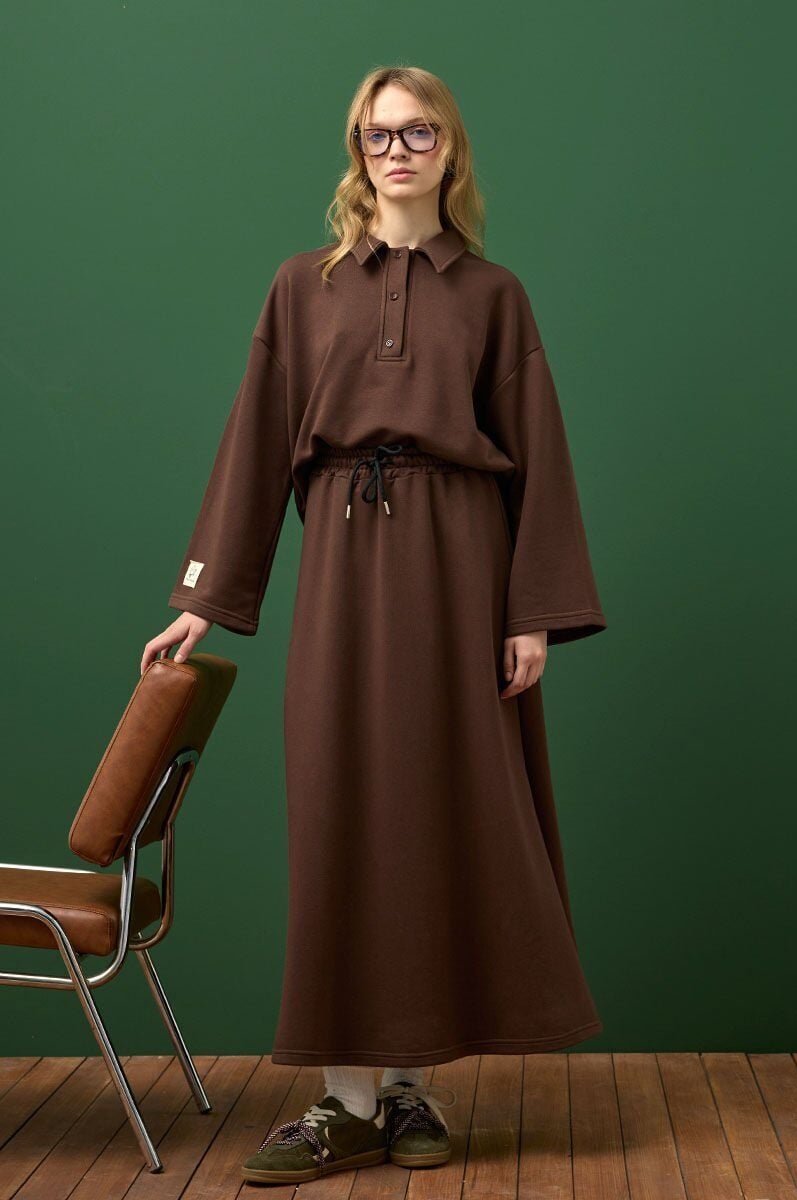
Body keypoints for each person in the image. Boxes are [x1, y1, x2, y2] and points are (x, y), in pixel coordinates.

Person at [141, 65, 608, 1186]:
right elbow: (258, 440)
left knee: (438, 808)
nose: (395, 150)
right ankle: (342, 1102)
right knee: (345, 805)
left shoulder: (493, 295)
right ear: (357, 151)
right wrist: (205, 596)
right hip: (345, 569)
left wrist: (532, 614)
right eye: (375, 133)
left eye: (416, 132)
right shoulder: (302, 288)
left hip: (462, 567)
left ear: (450, 149)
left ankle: (408, 1093)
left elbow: (537, 456)